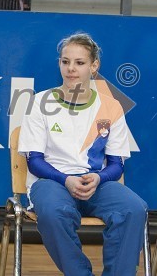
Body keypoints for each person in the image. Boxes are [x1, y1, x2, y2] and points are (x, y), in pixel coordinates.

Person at [18, 32, 148, 276]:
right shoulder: (40, 102)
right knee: (54, 212)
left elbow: (117, 164)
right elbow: (34, 161)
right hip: (51, 182)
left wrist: (98, 178)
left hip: (95, 182)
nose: (71, 69)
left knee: (134, 208)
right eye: (65, 62)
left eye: (79, 63)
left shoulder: (111, 106)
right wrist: (66, 180)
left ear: (94, 66)